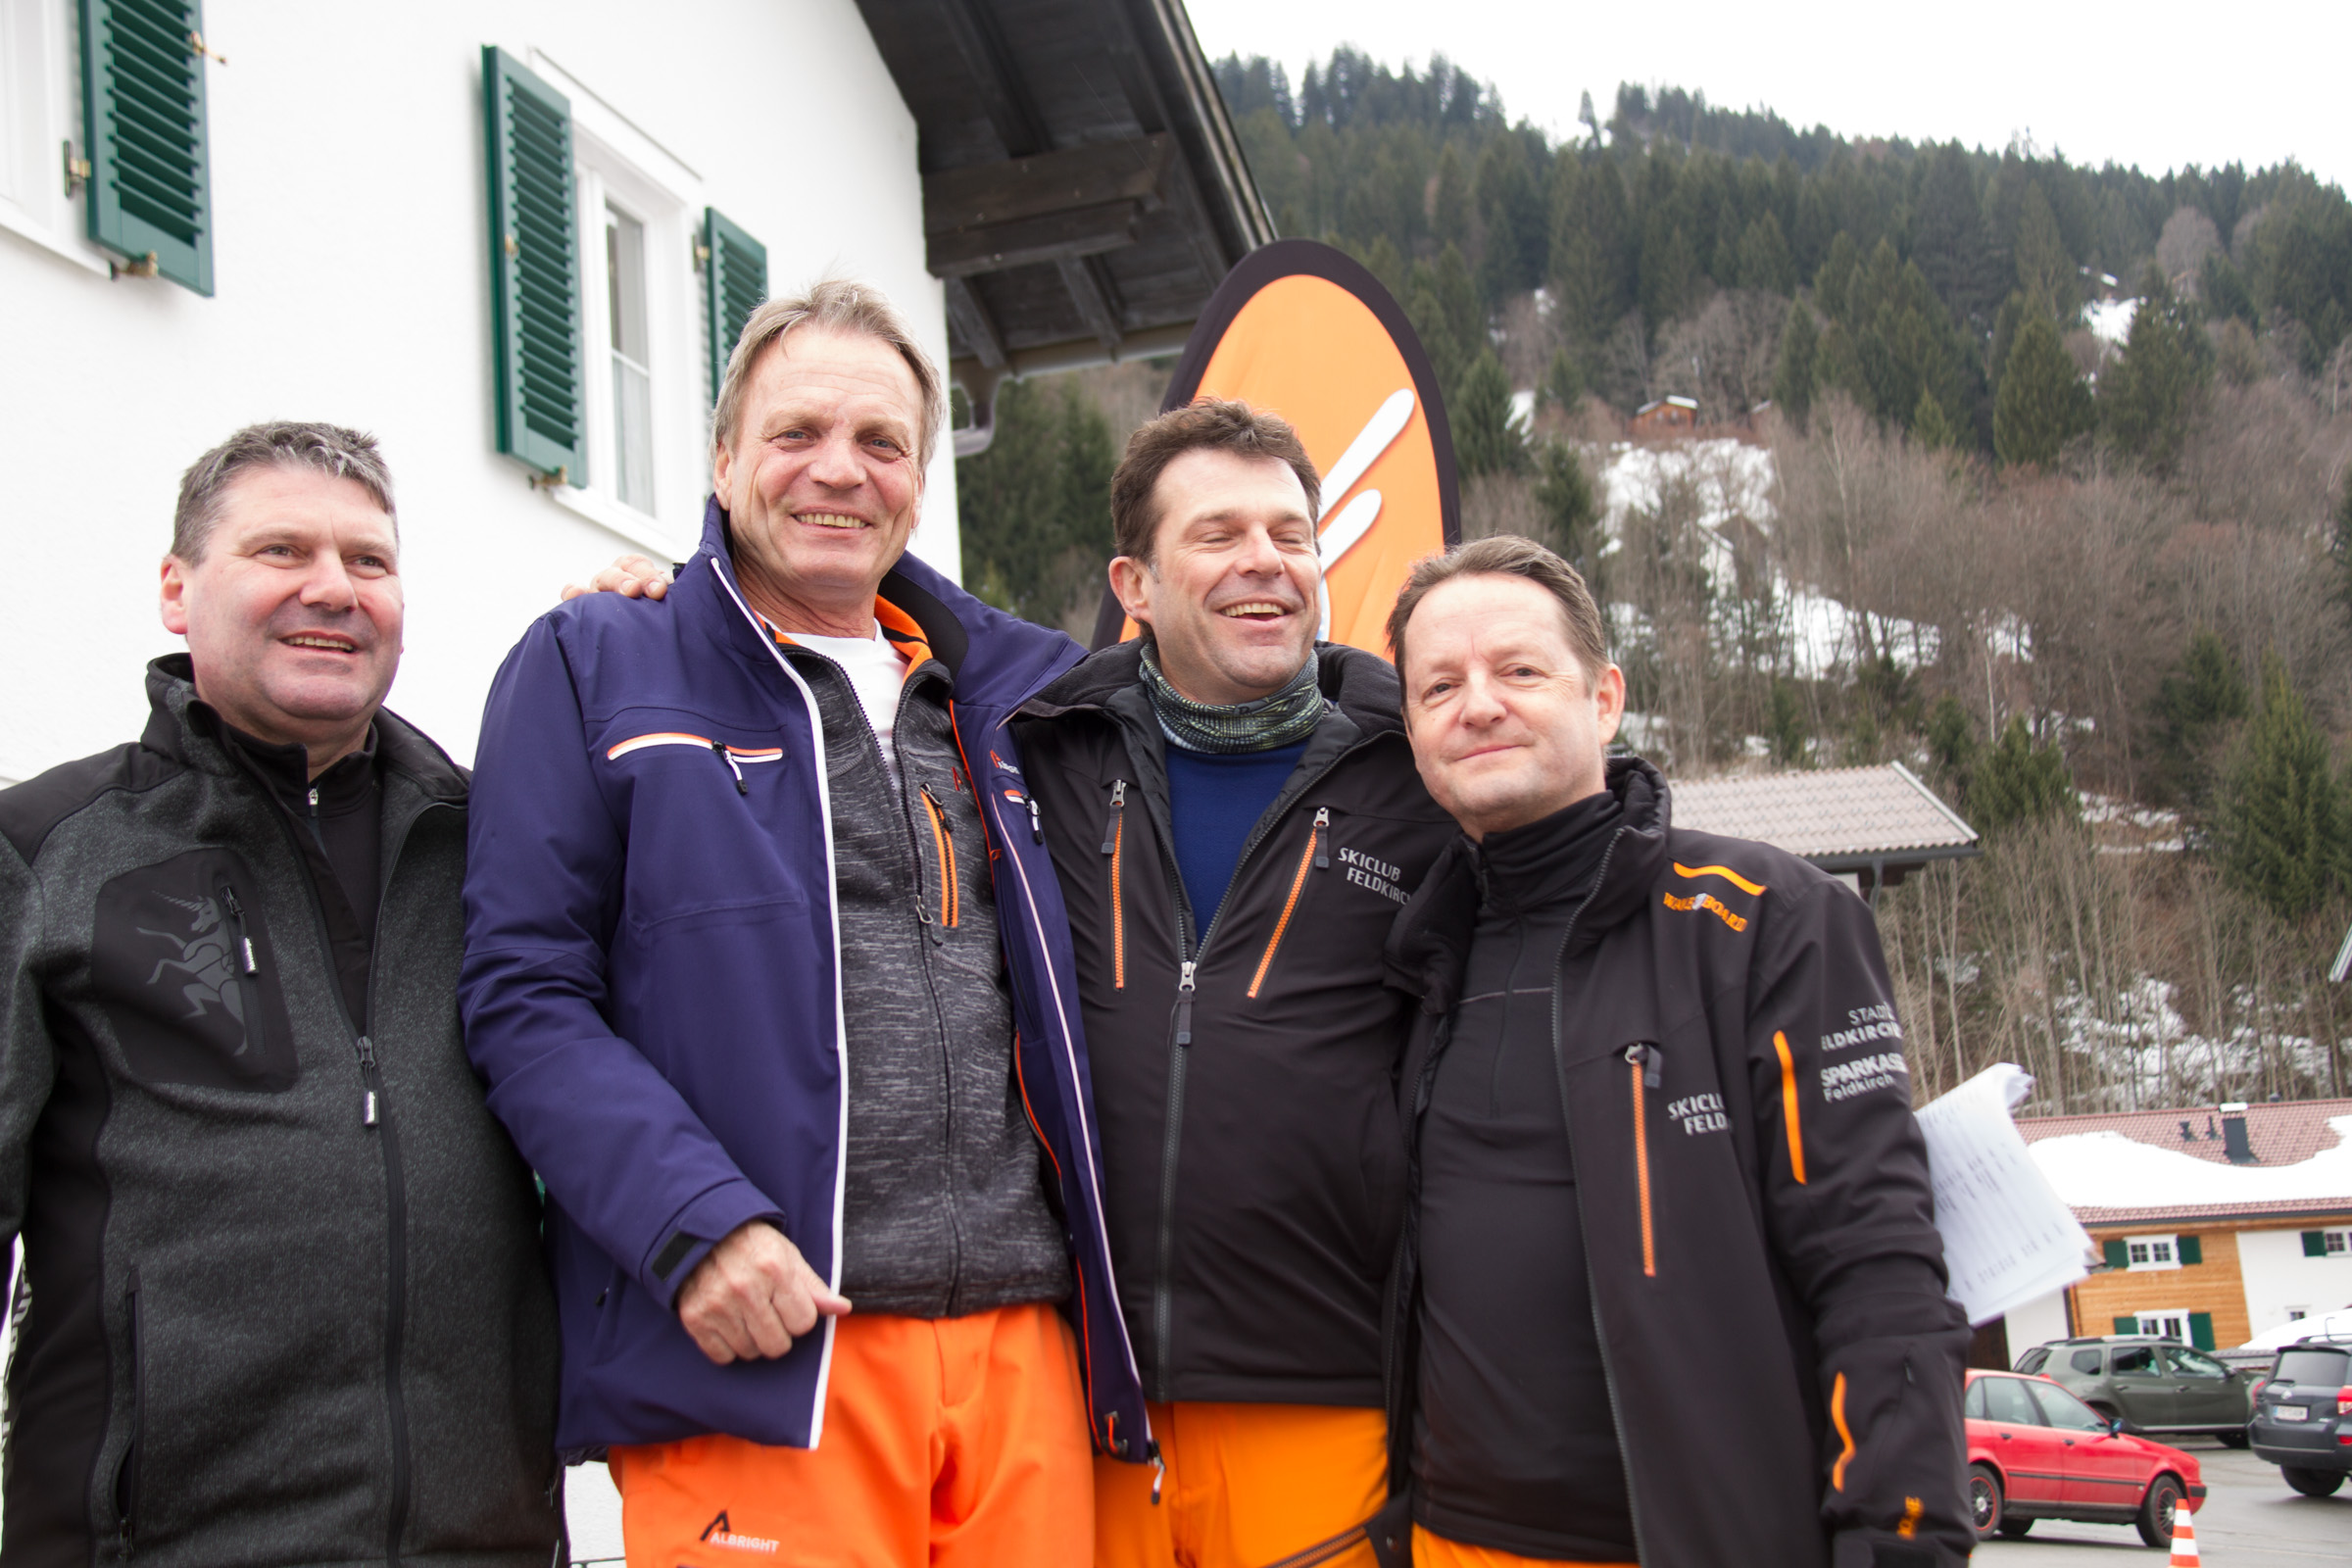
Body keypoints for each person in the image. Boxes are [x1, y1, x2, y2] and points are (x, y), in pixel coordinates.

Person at [459, 280, 1143, 1568]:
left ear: (918, 483)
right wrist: (691, 1223)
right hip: (768, 1345)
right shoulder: (595, 663)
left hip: (1027, 1356)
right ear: (723, 463)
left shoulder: (1024, 699)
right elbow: (524, 995)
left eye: (881, 442)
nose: (840, 470)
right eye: (796, 434)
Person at [0, 422, 561, 1565]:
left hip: (483, 1539)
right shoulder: (46, 847)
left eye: (369, 561)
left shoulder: (498, 845)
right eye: (281, 550)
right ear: (177, 588)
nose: (334, 589)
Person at [1378, 535, 1972, 1568]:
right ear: (1414, 734)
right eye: (1439, 686)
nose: (1478, 705)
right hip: (1442, 1539)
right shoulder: (1417, 952)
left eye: (1519, 670)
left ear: (1604, 698)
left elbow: (1876, 1263)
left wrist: (1902, 1538)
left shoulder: (1768, 918)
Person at [1014, 401, 1456, 1568]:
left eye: (1290, 534)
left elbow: (1573, 817)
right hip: (1079, 1395)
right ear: (1135, 583)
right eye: (1217, 534)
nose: (1265, 560)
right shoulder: (1039, 752)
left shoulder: (1419, 773)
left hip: (1323, 1390)